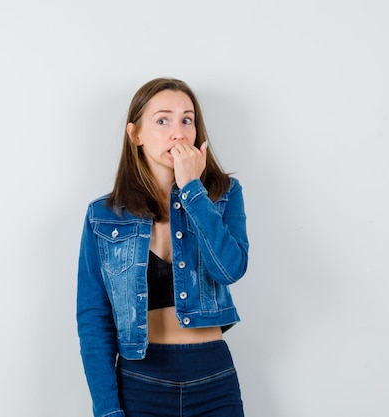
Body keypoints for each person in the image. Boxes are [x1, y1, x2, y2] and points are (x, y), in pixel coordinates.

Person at [76, 77, 249, 417]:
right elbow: (94, 320)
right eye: (163, 120)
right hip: (141, 382)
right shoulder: (104, 216)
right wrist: (108, 410)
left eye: (187, 120)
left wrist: (192, 190)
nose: (178, 132)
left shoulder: (223, 194)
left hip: (213, 378)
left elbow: (229, 269)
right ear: (135, 134)